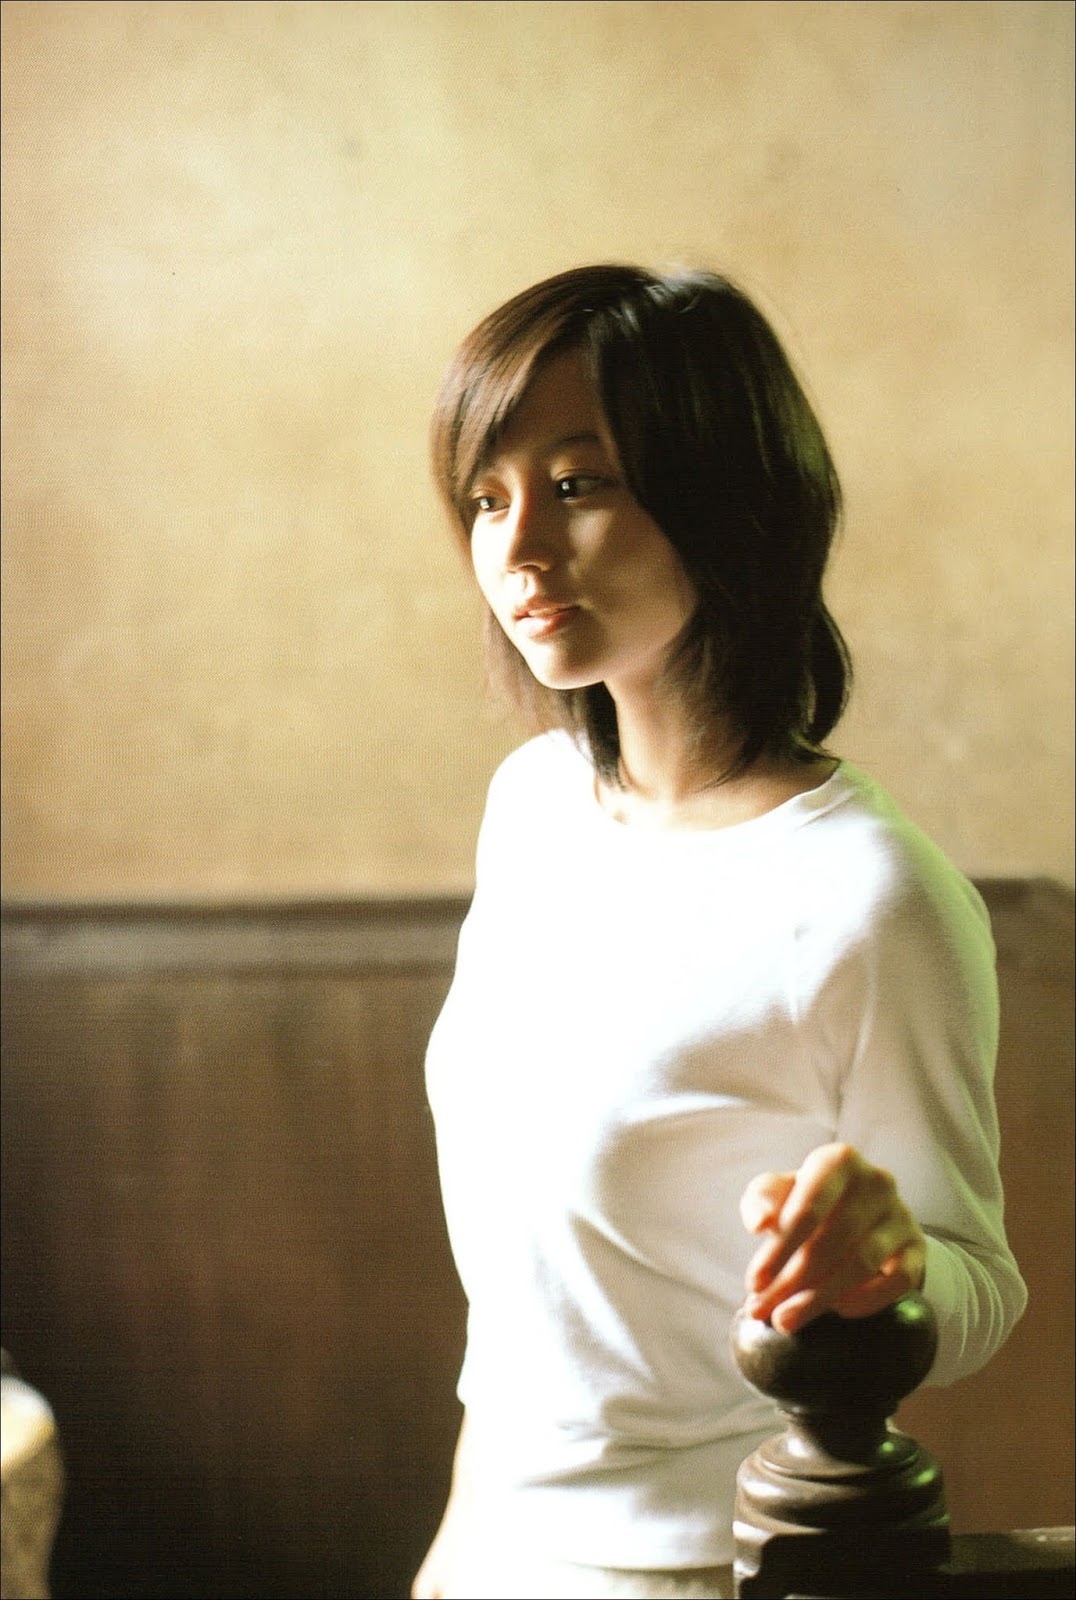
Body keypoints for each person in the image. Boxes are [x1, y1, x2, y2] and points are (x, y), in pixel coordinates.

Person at [412, 264, 1027, 1600]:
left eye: (578, 484)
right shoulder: (533, 808)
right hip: (492, 1538)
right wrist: (455, 1549)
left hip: (709, 1562)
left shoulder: (871, 897)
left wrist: (891, 1263)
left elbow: (979, 1283)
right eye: (487, 497)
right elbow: (527, 1291)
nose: (518, 550)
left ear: (727, 501)